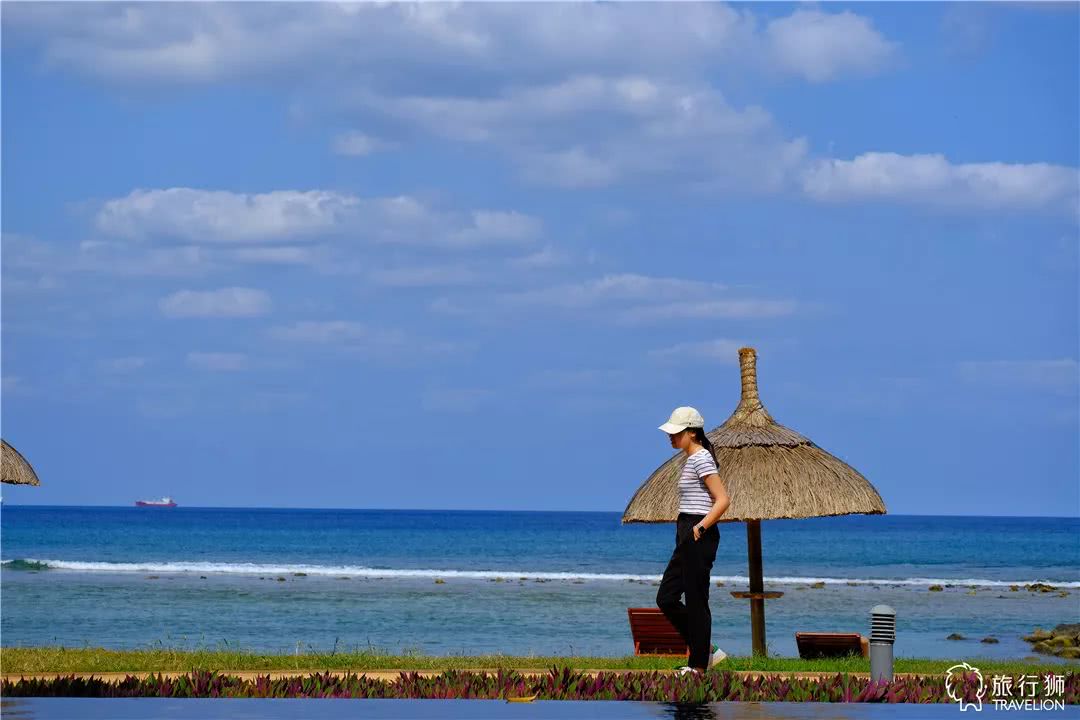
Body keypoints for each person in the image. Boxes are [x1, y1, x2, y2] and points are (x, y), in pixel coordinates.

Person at [655, 406, 731, 676]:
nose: (670, 436)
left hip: (698, 529)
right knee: (666, 597)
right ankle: (706, 650)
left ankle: (698, 666)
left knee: (697, 599)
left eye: (675, 432)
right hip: (687, 528)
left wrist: (700, 528)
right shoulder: (691, 459)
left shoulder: (701, 459)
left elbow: (723, 499)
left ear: (691, 432)